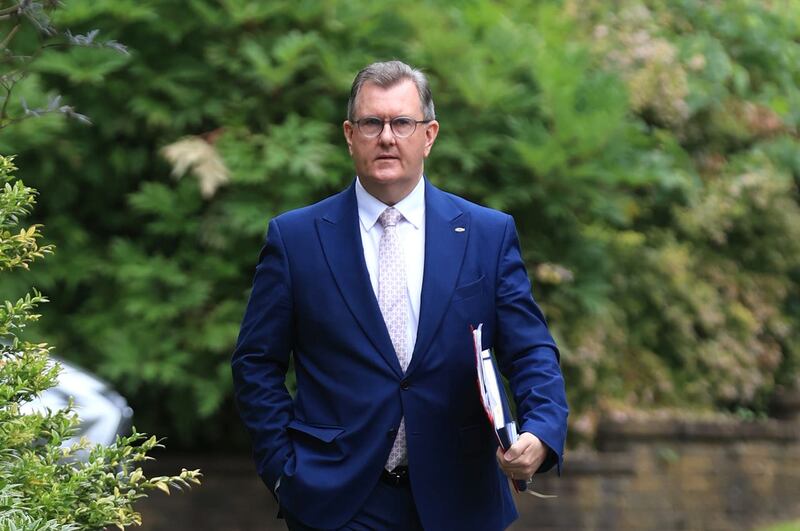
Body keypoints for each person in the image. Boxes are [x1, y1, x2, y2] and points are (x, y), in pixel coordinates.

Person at [231, 60, 568, 531]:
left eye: (402, 122)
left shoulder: (487, 234)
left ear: (429, 135)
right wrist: (285, 473)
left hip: (460, 498)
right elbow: (256, 363)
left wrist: (542, 431)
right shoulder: (296, 239)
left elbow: (530, 349)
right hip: (337, 501)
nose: (386, 136)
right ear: (350, 134)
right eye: (372, 122)